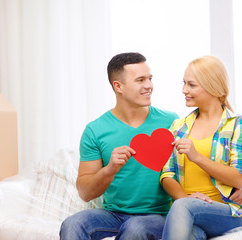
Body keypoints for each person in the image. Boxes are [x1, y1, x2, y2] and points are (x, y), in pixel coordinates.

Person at [59, 52, 179, 240]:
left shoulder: (171, 122)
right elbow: (85, 192)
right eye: (140, 80)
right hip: (113, 215)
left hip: (160, 215)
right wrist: (110, 169)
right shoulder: (95, 130)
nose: (149, 86)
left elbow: (193, 163)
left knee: (135, 227)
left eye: (150, 79)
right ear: (118, 86)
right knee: (73, 223)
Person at [160, 56, 242, 240]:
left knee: (182, 207)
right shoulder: (178, 127)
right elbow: (166, 174)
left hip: (227, 213)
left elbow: (238, 178)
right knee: (192, 235)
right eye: (184, 83)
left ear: (212, 86)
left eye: (191, 85)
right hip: (187, 211)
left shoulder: (238, 124)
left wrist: (197, 157)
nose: (184, 90)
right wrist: (186, 199)